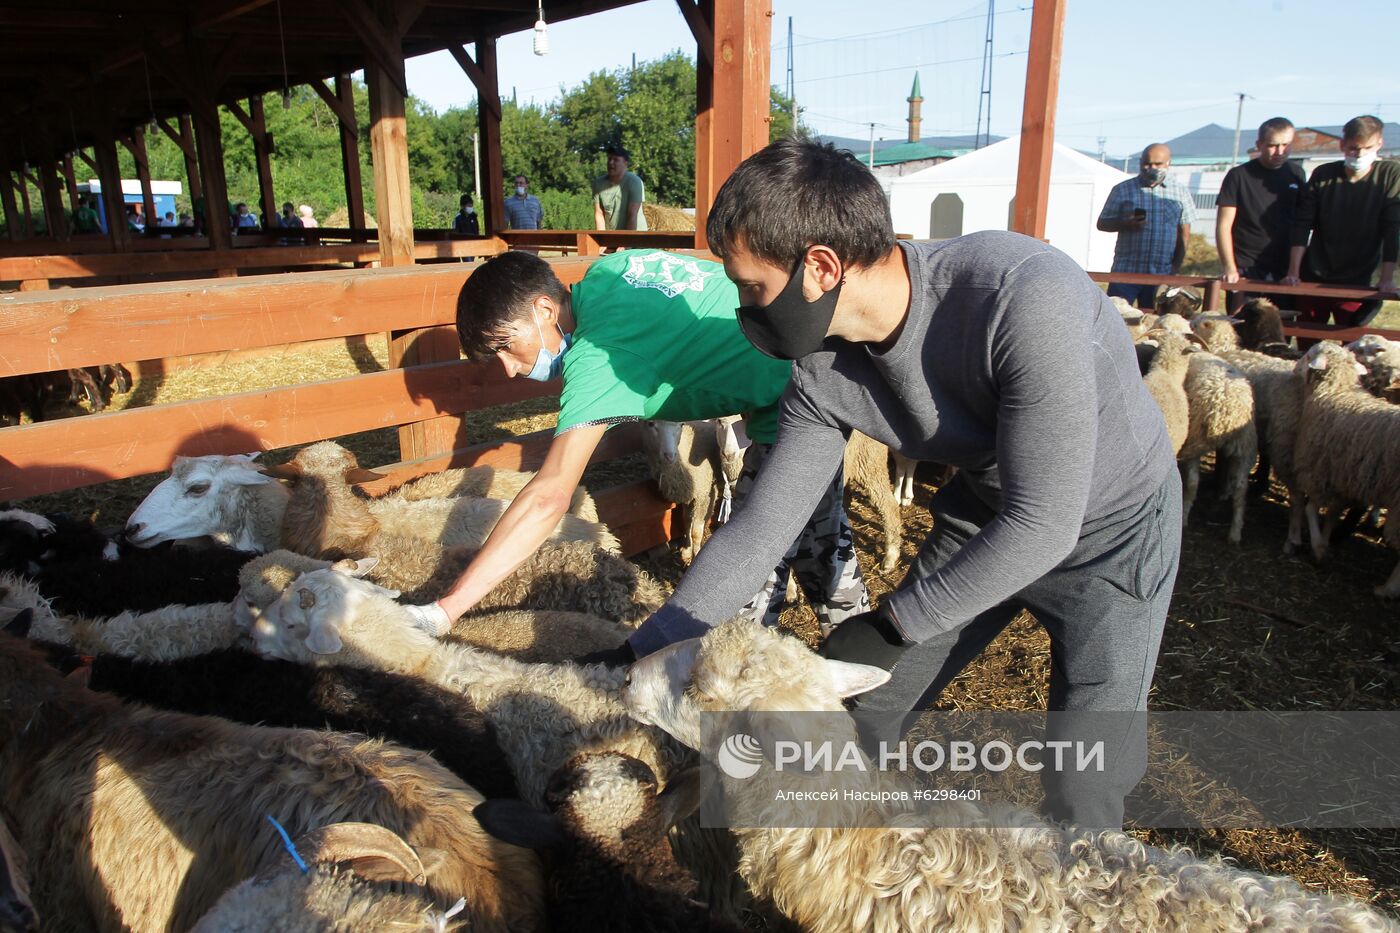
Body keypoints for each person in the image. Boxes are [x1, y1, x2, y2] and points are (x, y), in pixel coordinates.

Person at [619, 139, 1182, 830]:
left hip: (1111, 533)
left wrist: (892, 622)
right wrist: (654, 639)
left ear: (819, 267)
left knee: (1085, 773)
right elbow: (763, 528)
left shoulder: (1024, 297)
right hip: (988, 511)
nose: (746, 311)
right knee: (862, 712)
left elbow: (1046, 522)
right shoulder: (822, 371)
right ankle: (810, 865)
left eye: (751, 289)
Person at [409, 246, 870, 643]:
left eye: (507, 346)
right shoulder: (611, 271)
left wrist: (445, 609)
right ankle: (865, 662)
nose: (508, 369)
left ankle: (749, 702)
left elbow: (549, 495)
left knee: (747, 570)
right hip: (808, 370)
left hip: (802, 392)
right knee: (814, 540)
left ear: (544, 310)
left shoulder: (601, 357)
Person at [1284, 115, 1400, 334]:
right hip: (1315, 272)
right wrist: (1293, 271)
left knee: (1351, 342)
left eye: (1367, 148)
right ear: (1343, 145)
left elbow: (1391, 228)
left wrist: (1386, 278)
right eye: (1354, 148)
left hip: (1358, 278)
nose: (1360, 155)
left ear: (1379, 144)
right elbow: (1302, 224)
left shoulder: (1390, 174)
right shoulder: (1324, 174)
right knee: (1307, 337)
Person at [1217, 118, 1306, 312]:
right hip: (1246, 264)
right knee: (1240, 325)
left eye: (1285, 145)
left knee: (1279, 327)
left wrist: (1294, 269)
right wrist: (1230, 267)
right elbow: (1224, 225)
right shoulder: (1238, 175)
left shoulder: (1296, 174)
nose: (1280, 152)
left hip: (1282, 266)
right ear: (1259, 145)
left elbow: (1301, 224)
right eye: (1273, 146)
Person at [1096, 143, 1195, 308]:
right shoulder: (1122, 189)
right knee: (1117, 318)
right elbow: (1102, 223)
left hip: (1161, 274)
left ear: (1168, 164)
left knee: (1154, 322)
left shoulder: (1180, 192)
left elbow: (1184, 233)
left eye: (1158, 164)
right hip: (1125, 271)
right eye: (1147, 164)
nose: (1151, 168)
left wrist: (1175, 268)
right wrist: (1125, 224)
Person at [592, 144, 648, 231]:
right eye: (609, 159)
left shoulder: (635, 182)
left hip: (636, 237)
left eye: (616, 160)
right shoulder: (598, 184)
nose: (611, 163)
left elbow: (632, 215)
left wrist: (625, 242)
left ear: (625, 164)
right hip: (612, 237)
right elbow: (599, 214)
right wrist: (601, 241)